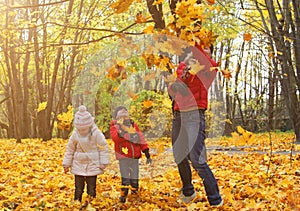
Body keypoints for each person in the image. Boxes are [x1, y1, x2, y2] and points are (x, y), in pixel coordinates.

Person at [168, 44, 223, 207]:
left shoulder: (210, 68)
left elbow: (202, 59)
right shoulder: (183, 66)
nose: (203, 52)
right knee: (179, 155)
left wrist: (195, 38)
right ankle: (188, 191)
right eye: (201, 49)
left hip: (195, 115)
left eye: (206, 50)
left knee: (196, 158)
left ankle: (215, 199)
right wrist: (175, 86)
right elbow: (174, 87)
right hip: (179, 115)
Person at [62, 105, 109, 202]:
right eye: (80, 129)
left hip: (92, 164)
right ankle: (77, 202)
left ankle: (91, 203)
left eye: (84, 129)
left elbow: (103, 148)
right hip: (78, 164)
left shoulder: (96, 134)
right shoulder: (75, 135)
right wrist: (67, 164)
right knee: (78, 188)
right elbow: (70, 149)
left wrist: (103, 162)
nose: (82, 131)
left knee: (91, 188)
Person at [110, 106, 152, 203]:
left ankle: (134, 195)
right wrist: (125, 133)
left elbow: (140, 137)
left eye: (125, 112)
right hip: (123, 157)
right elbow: (115, 139)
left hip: (135, 157)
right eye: (121, 113)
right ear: (116, 117)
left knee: (134, 177)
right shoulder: (115, 126)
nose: (124, 113)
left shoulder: (133, 124)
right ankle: (123, 196)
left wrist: (145, 150)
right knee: (125, 178)